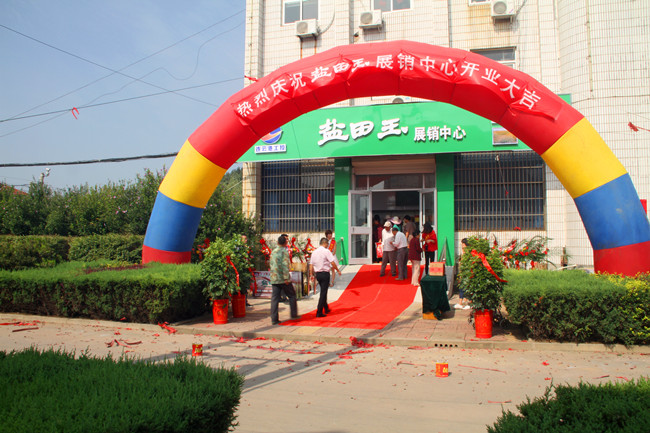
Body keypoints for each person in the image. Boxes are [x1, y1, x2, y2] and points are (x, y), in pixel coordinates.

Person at [269, 235, 299, 325]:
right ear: (285, 243)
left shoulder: (273, 251)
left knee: (275, 298)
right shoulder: (284, 252)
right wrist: (286, 278)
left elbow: (270, 264)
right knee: (292, 295)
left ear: (278, 242)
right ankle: (294, 314)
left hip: (274, 278)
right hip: (282, 278)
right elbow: (285, 266)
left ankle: (274, 319)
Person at [310, 237, 342, 317]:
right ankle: (319, 311)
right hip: (325, 273)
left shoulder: (314, 252)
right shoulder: (326, 251)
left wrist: (311, 274)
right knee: (323, 293)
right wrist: (338, 270)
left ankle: (326, 308)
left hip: (318, 274)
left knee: (323, 290)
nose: (328, 245)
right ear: (325, 243)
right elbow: (332, 262)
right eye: (327, 244)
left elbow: (311, 264)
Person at [455, 238, 470, 310]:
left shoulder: (468, 254)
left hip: (466, 273)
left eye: (463, 245)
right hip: (462, 273)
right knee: (462, 287)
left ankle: (467, 302)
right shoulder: (463, 253)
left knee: (465, 288)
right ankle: (461, 302)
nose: (462, 246)